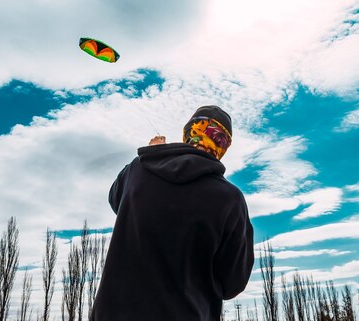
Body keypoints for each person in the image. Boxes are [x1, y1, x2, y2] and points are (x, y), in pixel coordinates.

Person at [91, 105, 254, 321]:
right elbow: (232, 284)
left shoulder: (137, 170)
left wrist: (151, 156)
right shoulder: (230, 199)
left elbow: (116, 200)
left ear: (189, 133)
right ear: (223, 145)